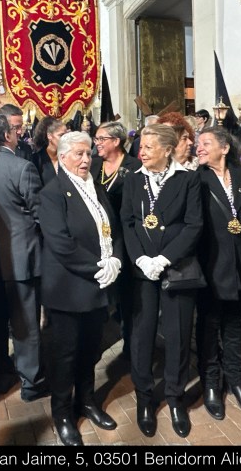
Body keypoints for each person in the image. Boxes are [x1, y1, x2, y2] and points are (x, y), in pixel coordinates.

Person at [121, 123, 203, 438]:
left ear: (167, 150)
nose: (140, 152)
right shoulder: (133, 180)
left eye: (148, 148)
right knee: (141, 336)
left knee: (178, 334)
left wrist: (164, 258)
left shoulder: (188, 179)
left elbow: (194, 225)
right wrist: (141, 258)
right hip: (142, 270)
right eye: (141, 147)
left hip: (176, 268)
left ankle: (175, 397)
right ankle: (144, 398)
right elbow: (128, 222)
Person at [39, 131, 120, 445]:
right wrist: (99, 267)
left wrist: (116, 260)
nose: (87, 159)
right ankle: (61, 413)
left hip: (97, 289)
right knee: (64, 356)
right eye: (79, 154)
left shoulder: (96, 188)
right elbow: (61, 243)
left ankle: (86, 401)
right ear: (62, 157)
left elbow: (111, 230)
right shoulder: (52, 192)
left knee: (90, 351)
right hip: (69, 289)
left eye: (89, 153)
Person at [0, 116, 46, 400]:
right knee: (25, 324)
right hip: (21, 259)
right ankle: (32, 382)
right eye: (14, 130)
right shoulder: (22, 167)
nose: (18, 133)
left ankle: (2, 374)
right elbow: (39, 212)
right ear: (7, 136)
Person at [194, 127, 241, 420]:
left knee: (235, 324)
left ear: (224, 148)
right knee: (209, 325)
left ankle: (236, 381)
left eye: (206, 143)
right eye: (198, 144)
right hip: (210, 263)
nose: (199, 148)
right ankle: (211, 384)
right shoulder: (196, 179)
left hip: (239, 263)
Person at [90, 121, 141, 354]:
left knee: (127, 295)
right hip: (99, 240)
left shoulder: (135, 167)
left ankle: (130, 343)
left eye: (101, 139)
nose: (97, 143)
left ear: (116, 141)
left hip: (125, 237)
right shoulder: (93, 165)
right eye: (96, 139)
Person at [32, 116, 67, 187]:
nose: (65, 139)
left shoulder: (68, 157)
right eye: (61, 135)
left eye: (66, 135)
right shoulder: (36, 159)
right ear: (49, 136)